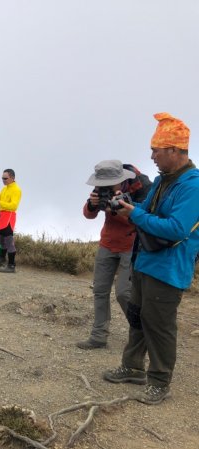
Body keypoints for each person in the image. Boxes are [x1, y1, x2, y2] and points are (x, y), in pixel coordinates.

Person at [103, 113, 199, 405]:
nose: (152, 156)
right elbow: (149, 209)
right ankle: (132, 368)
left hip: (168, 268)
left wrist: (135, 214)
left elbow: (176, 229)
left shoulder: (193, 187)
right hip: (146, 260)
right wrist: (130, 205)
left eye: (156, 151)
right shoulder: (163, 180)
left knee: (159, 324)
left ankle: (160, 382)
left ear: (173, 151)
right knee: (138, 317)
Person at [76, 160, 152, 350]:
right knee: (100, 290)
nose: (106, 187)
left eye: (110, 184)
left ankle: (143, 334)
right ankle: (98, 336)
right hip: (108, 242)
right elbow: (88, 215)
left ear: (121, 179)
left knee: (124, 292)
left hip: (132, 244)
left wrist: (120, 208)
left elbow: (143, 220)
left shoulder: (142, 187)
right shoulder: (102, 185)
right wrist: (93, 205)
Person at [0, 169, 22, 273]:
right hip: (1, 216)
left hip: (9, 216)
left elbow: (14, 206)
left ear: (12, 178)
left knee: (9, 242)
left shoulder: (16, 190)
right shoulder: (4, 188)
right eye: (2, 178)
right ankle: (2, 259)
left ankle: (11, 266)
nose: (3, 180)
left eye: (5, 178)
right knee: (1, 239)